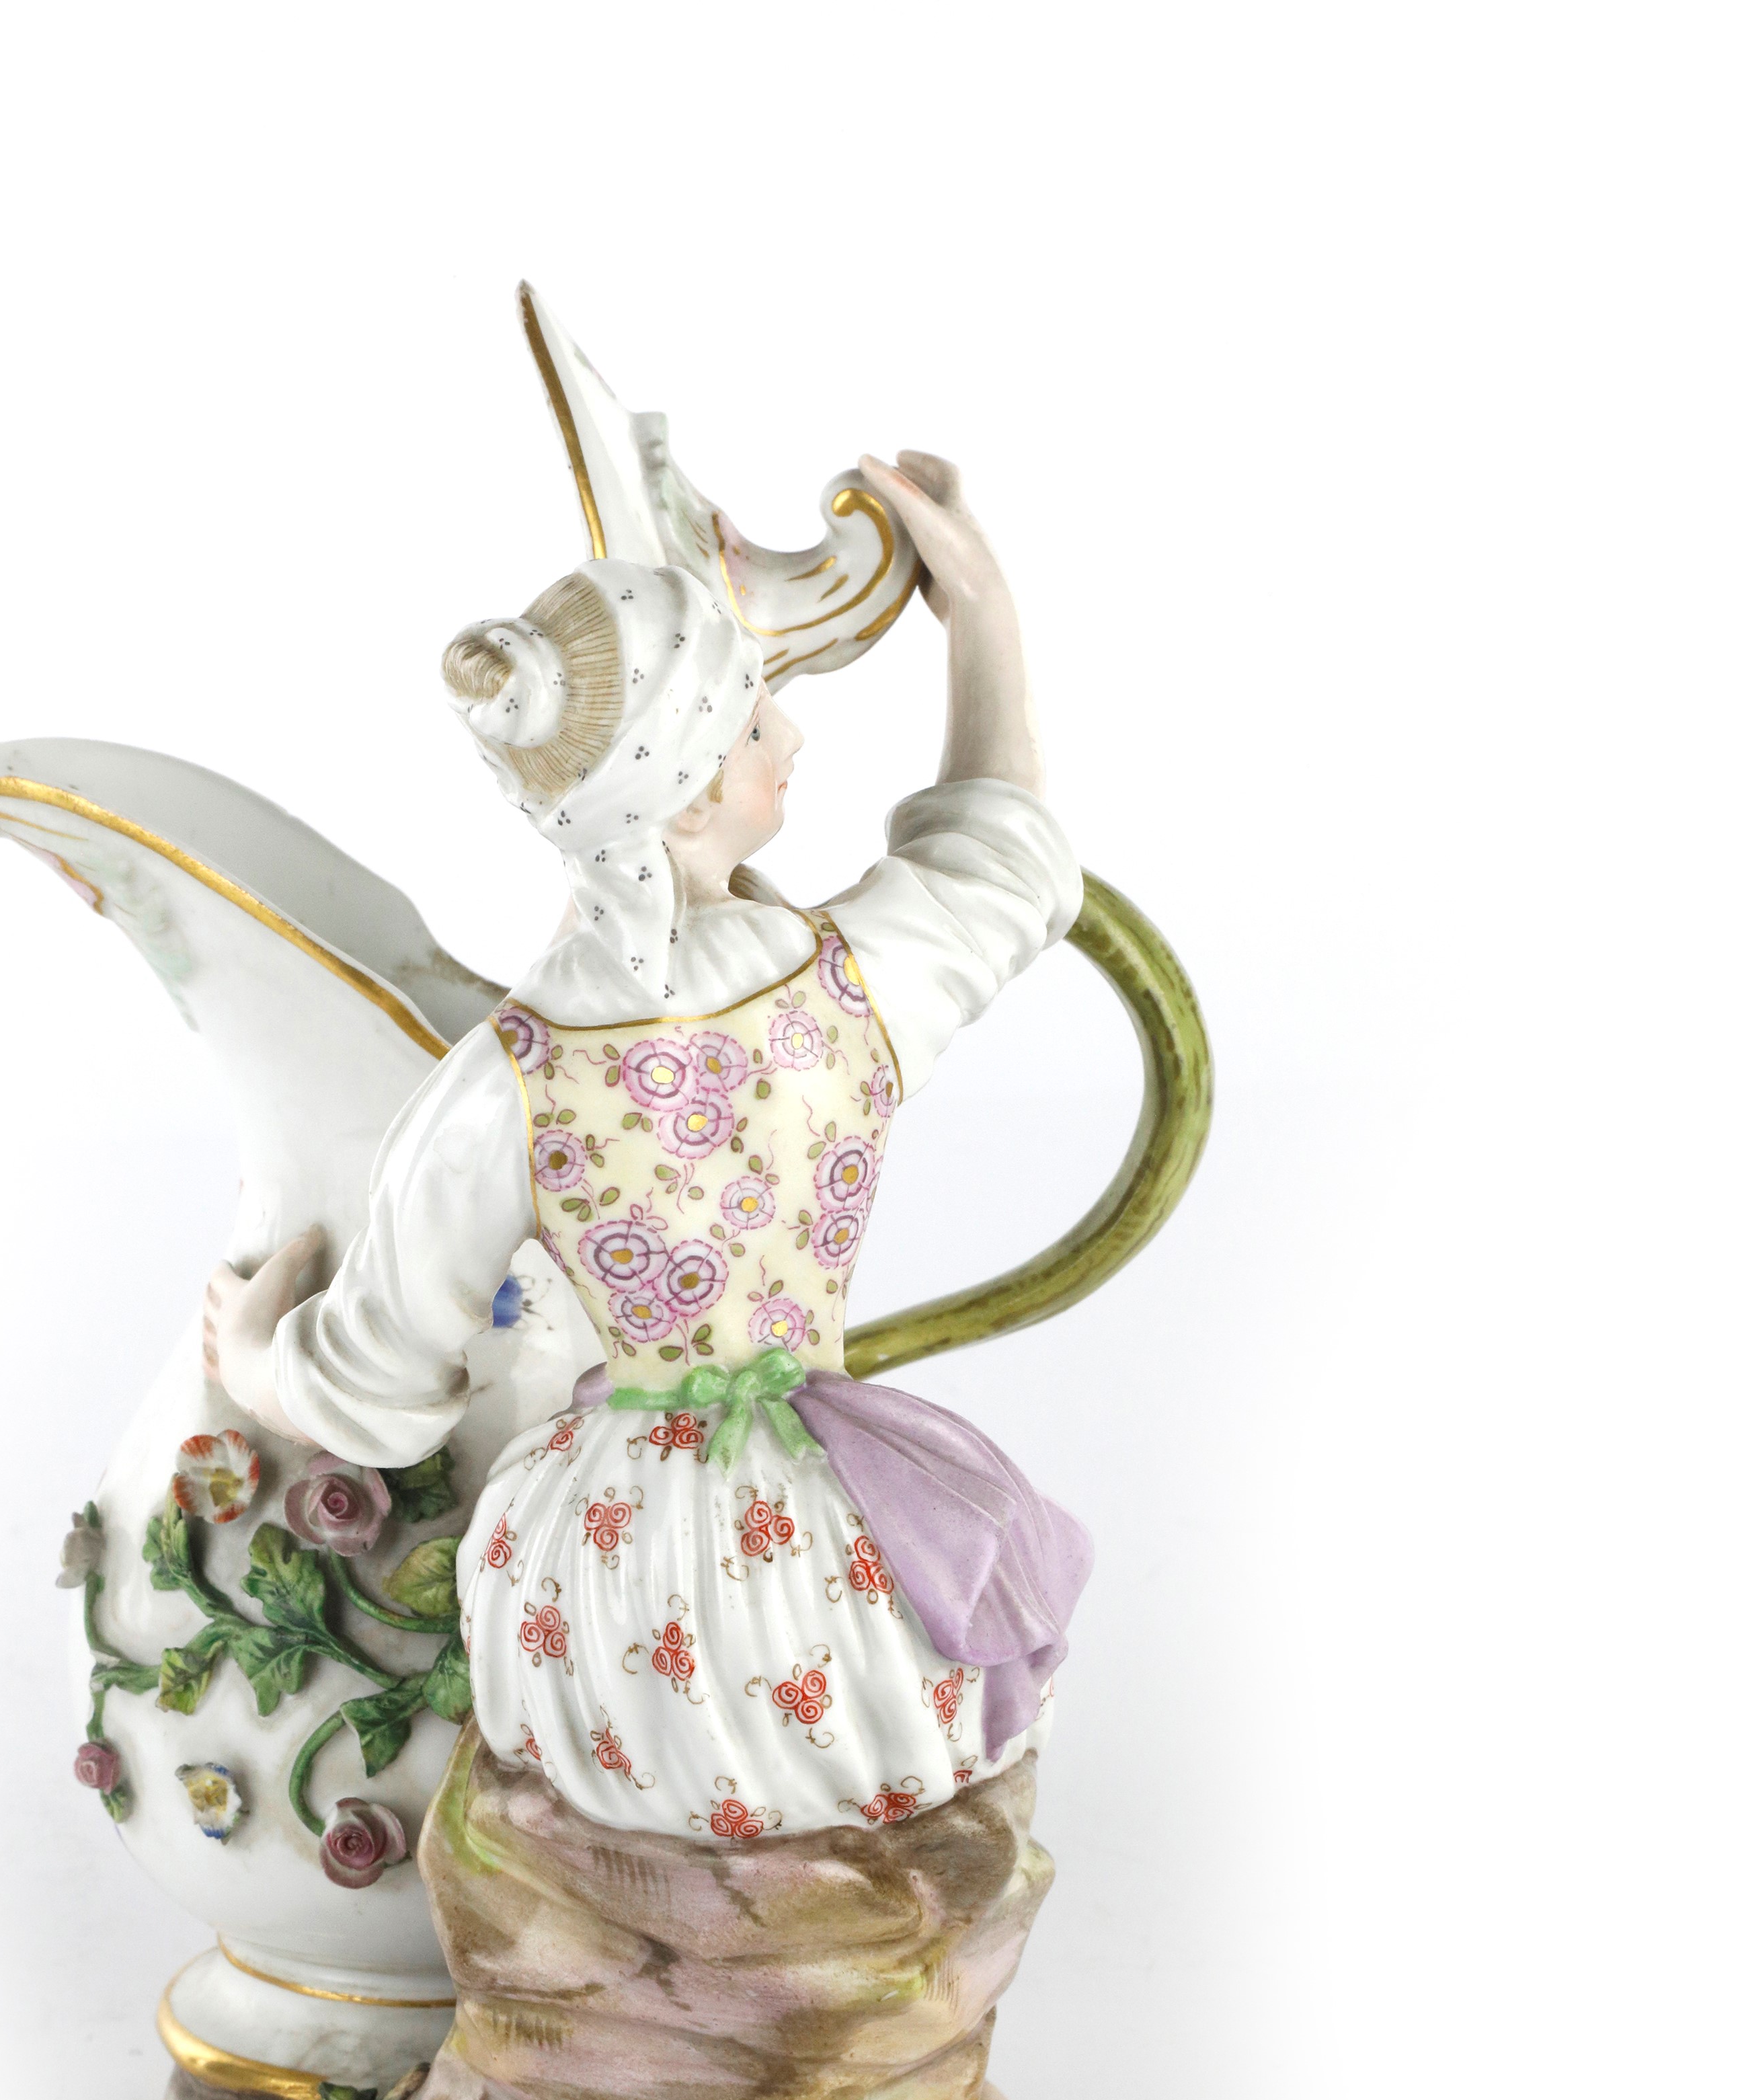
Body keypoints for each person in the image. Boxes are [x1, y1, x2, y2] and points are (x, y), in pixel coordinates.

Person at [204, 454, 1092, 1839]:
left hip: (612, 1593)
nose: (793, 738)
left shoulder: (508, 1079)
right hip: (837, 1558)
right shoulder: (845, 990)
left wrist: (258, 1356)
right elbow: (1004, 858)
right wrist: (980, 617)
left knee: (636, 1799)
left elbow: (380, 1378)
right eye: (757, 722)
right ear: (683, 799)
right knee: (863, 1745)